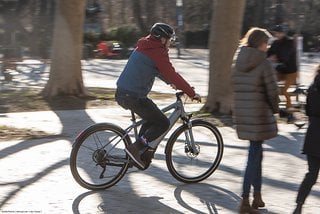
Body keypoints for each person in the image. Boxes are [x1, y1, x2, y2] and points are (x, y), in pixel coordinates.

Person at [115, 23, 201, 170]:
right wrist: (191, 93)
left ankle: (139, 153)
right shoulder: (158, 51)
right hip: (134, 96)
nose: (170, 43)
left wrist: (171, 83)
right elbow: (171, 73)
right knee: (163, 123)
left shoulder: (145, 46)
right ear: (161, 39)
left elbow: (157, 70)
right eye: (169, 40)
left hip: (124, 93)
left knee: (152, 118)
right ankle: (135, 149)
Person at [232, 27, 280, 214]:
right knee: (253, 155)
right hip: (259, 114)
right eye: (265, 43)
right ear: (259, 43)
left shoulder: (238, 60)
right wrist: (276, 109)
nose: (267, 47)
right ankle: (245, 200)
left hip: (244, 113)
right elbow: (272, 91)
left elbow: (234, 84)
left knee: (257, 153)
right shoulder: (263, 62)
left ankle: (257, 196)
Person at [293, 64, 320, 214]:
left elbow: (308, 111)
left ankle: (299, 204)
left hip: (313, 135)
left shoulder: (312, 86)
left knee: (311, 174)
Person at [267, 24, 298, 123]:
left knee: (284, 90)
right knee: (270, 84)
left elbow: (286, 56)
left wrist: (276, 58)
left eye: (279, 33)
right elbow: (269, 53)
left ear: (284, 33)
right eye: (276, 33)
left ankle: (290, 113)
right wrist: (269, 56)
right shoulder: (275, 43)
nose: (277, 34)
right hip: (280, 70)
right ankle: (274, 109)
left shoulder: (289, 42)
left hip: (291, 72)